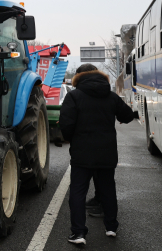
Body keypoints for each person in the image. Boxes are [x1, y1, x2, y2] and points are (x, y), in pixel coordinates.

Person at [59, 63, 138, 245]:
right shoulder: (110, 96)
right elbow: (126, 116)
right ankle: (111, 227)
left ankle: (78, 233)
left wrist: (72, 139)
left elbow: (66, 125)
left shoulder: (74, 96)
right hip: (106, 152)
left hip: (82, 153)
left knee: (78, 192)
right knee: (108, 189)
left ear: (78, 77)